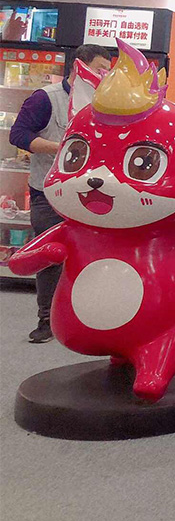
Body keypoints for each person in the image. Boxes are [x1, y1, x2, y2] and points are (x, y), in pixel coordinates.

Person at [8, 42, 112, 343]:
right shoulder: (46, 98)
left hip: (92, 196)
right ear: (79, 66)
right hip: (49, 192)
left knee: (93, 255)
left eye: (108, 72)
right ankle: (47, 319)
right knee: (50, 255)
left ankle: (89, 317)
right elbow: (18, 135)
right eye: (99, 70)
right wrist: (62, 149)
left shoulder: (105, 102)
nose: (104, 76)